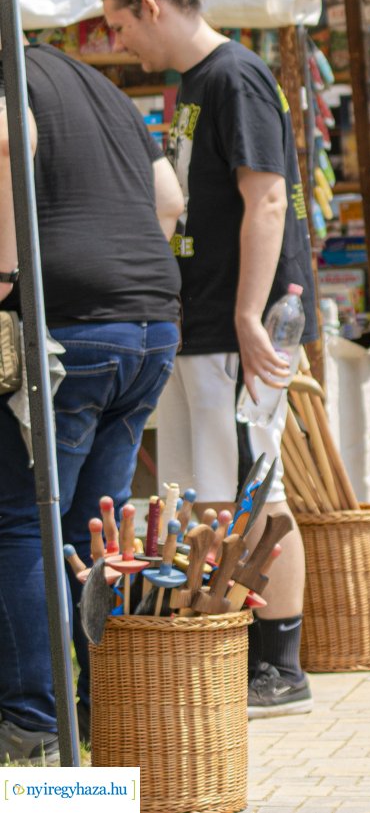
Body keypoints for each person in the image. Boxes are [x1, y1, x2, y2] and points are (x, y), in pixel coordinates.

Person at [104, 0, 319, 719]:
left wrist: (246, 312)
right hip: (203, 318)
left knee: (258, 488)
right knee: (211, 493)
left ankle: (282, 658)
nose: (123, 42)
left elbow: (267, 200)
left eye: (123, 26)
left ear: (152, 8)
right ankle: (234, 644)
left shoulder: (235, 75)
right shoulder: (193, 82)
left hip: (245, 322)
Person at [0, 44, 184, 761]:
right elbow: (169, 200)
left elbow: (11, 141)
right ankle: (94, 712)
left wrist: (7, 272)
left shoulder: (10, 69)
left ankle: (34, 725)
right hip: (151, 319)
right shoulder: (94, 81)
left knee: (23, 517)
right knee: (94, 531)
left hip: (75, 325)